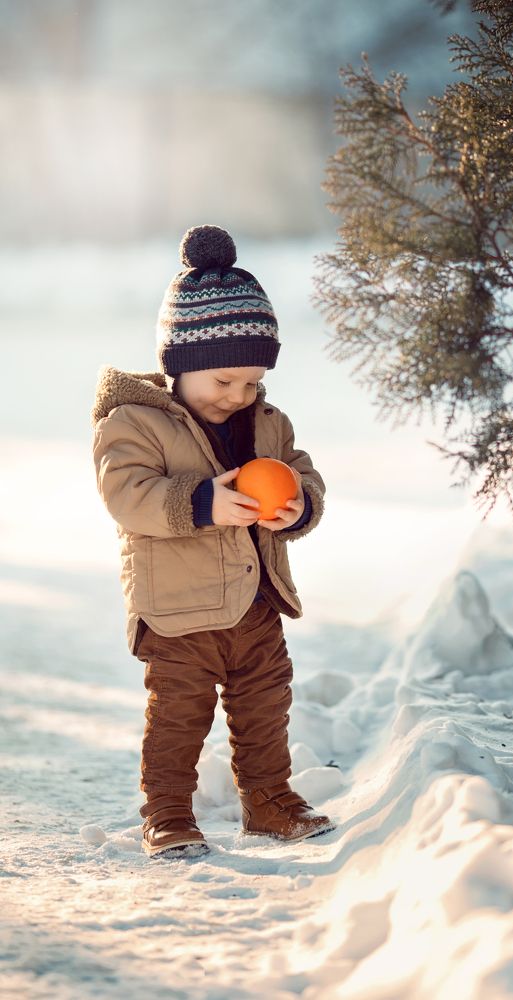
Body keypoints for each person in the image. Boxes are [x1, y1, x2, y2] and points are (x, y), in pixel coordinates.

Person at [92, 224, 335, 858]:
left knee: (265, 707)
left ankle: (268, 799)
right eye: (224, 381)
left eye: (252, 382)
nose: (239, 395)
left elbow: (301, 469)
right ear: (182, 366)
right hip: (177, 614)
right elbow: (127, 495)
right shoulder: (135, 424)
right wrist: (201, 502)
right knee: (178, 719)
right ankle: (169, 813)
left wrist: (298, 505)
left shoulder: (266, 423)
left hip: (254, 605)